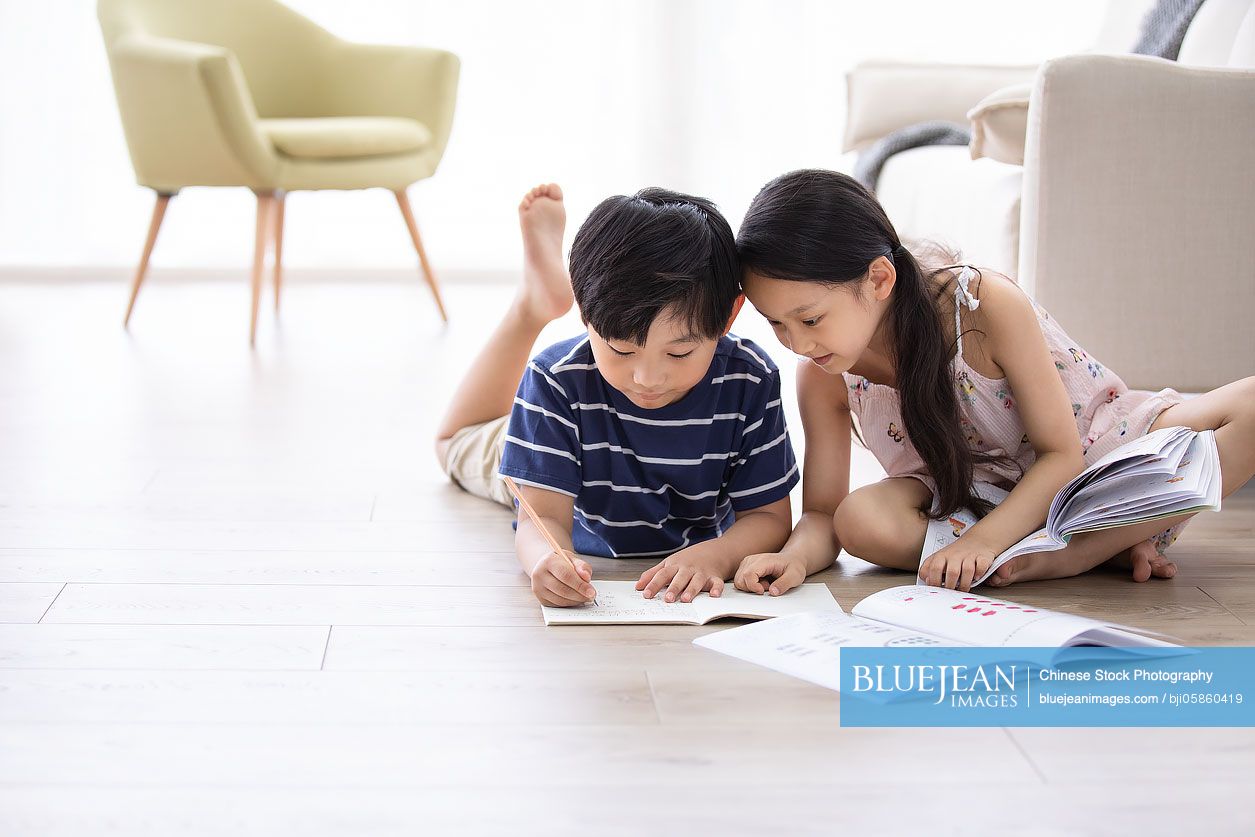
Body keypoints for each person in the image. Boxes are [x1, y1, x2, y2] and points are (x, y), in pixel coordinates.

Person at [728, 168, 1255, 594]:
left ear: (880, 279)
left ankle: (1076, 554)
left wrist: (982, 543)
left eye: (810, 319)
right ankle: (1107, 543)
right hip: (977, 497)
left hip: (1096, 459)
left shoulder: (981, 307)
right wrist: (793, 559)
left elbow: (1061, 455)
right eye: (775, 323)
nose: (795, 343)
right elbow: (822, 513)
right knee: (859, 519)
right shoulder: (822, 376)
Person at [435, 184, 799, 607]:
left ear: (728, 317)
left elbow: (769, 517)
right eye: (622, 350)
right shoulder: (556, 381)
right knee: (454, 443)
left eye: (679, 352)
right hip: (555, 464)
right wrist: (548, 558)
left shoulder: (749, 381)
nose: (647, 377)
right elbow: (543, 516)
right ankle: (531, 306)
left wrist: (716, 554)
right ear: (587, 317)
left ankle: (547, 303)